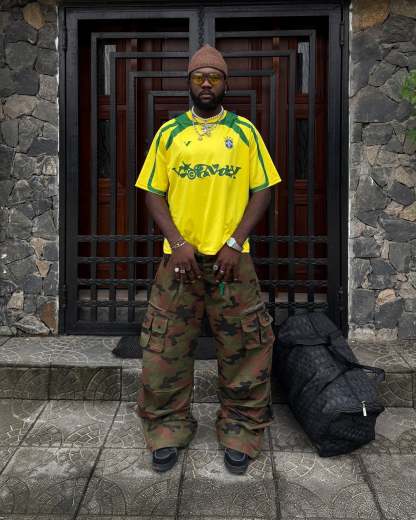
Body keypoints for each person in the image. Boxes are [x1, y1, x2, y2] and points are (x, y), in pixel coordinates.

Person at [135, 43, 282, 475]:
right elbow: (152, 192)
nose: (205, 83)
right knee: (164, 349)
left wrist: (235, 243)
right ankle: (166, 429)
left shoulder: (244, 132)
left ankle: (240, 431)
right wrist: (177, 242)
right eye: (199, 76)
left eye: (213, 76)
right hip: (178, 263)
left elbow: (263, 190)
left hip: (232, 263)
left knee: (246, 349)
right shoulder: (169, 133)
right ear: (188, 82)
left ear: (224, 84)